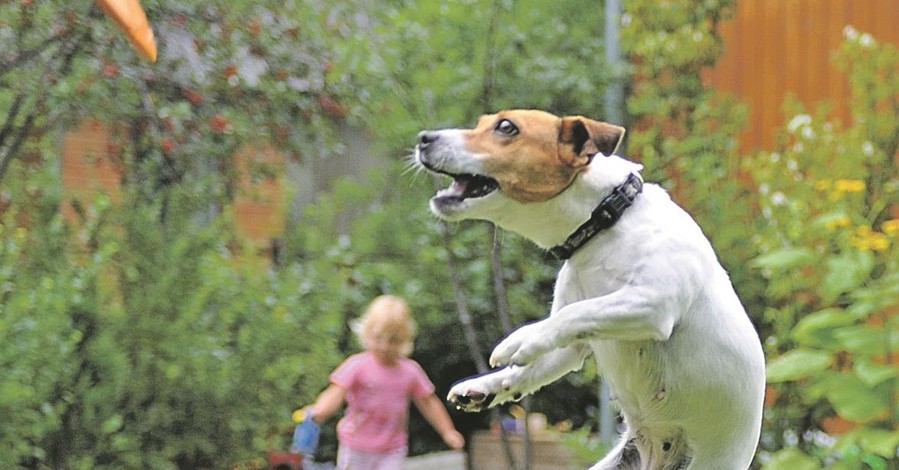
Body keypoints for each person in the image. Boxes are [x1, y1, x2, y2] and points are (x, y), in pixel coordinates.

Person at [300, 295, 465, 469]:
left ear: (404, 339)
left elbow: (428, 402)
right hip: (356, 446)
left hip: (392, 448)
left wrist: (448, 431)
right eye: (378, 338)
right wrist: (318, 411)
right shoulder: (357, 365)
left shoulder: (410, 371)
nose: (384, 346)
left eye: (393, 340)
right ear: (367, 333)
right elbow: (336, 392)